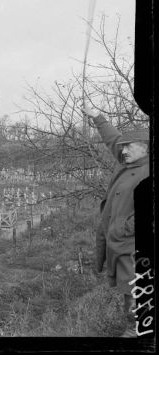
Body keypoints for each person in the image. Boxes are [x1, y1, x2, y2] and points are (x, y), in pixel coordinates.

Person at [81, 106, 149, 337]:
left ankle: (138, 334)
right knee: (129, 291)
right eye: (123, 147)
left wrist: (124, 227)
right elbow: (114, 139)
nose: (123, 149)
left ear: (145, 147)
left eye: (129, 146)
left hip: (134, 247)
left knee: (137, 291)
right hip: (120, 244)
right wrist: (98, 118)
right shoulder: (129, 162)